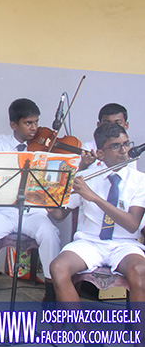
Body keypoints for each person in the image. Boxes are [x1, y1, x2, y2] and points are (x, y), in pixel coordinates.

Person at [0, 98, 59, 303]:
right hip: (4, 211)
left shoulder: (45, 147)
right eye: (29, 123)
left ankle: (51, 291)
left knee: (50, 235)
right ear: (14, 125)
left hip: (34, 211)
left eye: (36, 122)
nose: (35, 128)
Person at [49, 123, 145, 304]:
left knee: (140, 270)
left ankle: (138, 332)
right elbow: (59, 215)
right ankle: (83, 332)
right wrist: (45, 199)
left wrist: (95, 199)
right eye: (116, 146)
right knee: (58, 267)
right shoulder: (86, 177)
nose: (124, 151)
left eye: (126, 144)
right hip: (89, 242)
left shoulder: (140, 181)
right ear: (100, 153)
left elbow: (132, 224)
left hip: (124, 244)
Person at [80, 103, 134, 170]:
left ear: (126, 125)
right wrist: (84, 165)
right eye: (107, 123)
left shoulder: (129, 149)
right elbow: (75, 178)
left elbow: (132, 177)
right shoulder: (87, 147)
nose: (112, 127)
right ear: (99, 125)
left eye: (118, 123)